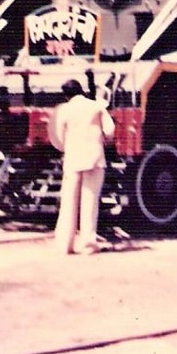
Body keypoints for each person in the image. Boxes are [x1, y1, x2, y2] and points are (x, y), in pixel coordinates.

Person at [54, 79, 115, 255]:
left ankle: (65, 245)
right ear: (81, 90)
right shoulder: (96, 106)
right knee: (90, 202)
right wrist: (104, 140)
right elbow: (110, 130)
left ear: (66, 95)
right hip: (94, 158)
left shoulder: (64, 110)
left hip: (73, 159)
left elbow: (58, 137)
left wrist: (66, 147)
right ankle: (88, 245)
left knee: (68, 202)